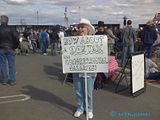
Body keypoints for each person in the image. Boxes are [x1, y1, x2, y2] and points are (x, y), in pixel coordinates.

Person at [73, 18, 96, 119]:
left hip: (90, 69)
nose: (80, 29)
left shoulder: (95, 41)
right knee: (78, 90)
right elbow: (71, 54)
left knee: (88, 91)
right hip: (77, 68)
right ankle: (80, 108)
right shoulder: (73, 40)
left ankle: (89, 109)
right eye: (79, 27)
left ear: (88, 29)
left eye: (83, 27)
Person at [0, 15, 19, 85]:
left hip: (1, 48)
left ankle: (4, 79)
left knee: (2, 64)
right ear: (7, 21)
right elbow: (16, 39)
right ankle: (12, 80)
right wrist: (15, 47)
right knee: (11, 64)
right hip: (10, 48)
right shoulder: (12, 29)